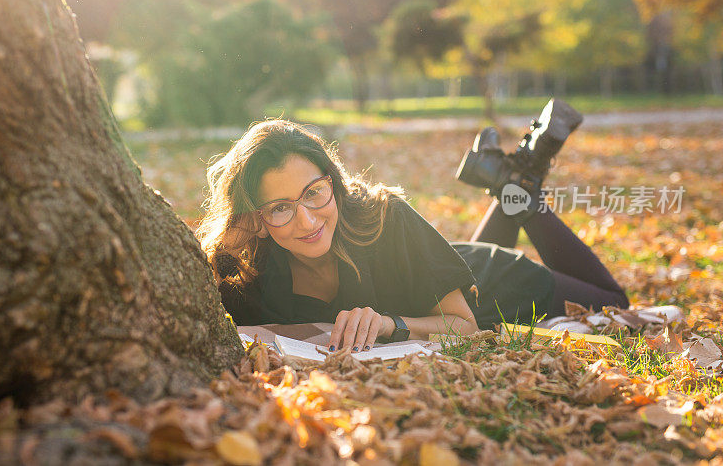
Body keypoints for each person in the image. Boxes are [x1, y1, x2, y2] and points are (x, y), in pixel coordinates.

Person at [197, 105, 628, 354]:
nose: (307, 220)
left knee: (615, 303)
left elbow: (466, 325)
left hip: (491, 285)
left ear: (333, 181)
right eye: (279, 208)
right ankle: (511, 179)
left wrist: (388, 324)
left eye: (314, 193)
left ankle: (520, 193)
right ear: (255, 218)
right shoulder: (248, 268)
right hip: (434, 267)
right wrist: (226, 243)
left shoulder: (384, 216)